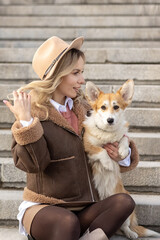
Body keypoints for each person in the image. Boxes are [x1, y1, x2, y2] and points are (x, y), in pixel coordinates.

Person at [3, 36, 139, 240]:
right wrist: (25, 122)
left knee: (125, 202)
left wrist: (122, 155)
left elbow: (114, 140)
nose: (82, 80)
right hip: (44, 208)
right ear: (57, 75)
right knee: (68, 223)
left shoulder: (86, 109)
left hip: (84, 207)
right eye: (76, 73)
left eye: (82, 72)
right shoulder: (33, 114)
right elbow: (35, 165)